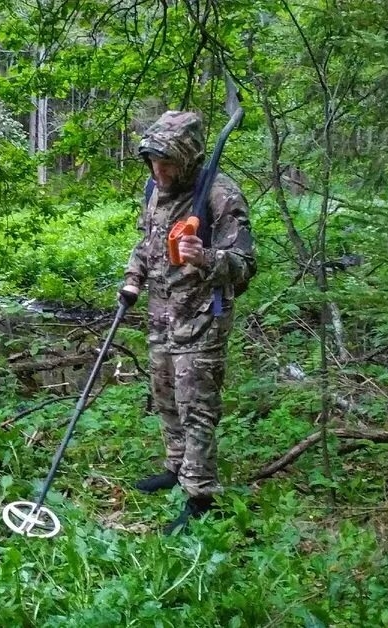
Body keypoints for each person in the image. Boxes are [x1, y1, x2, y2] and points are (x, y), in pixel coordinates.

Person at [118, 110, 256, 534]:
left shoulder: (220, 195)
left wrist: (208, 257)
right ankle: (177, 468)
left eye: (167, 164)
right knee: (165, 395)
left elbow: (246, 264)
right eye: (154, 163)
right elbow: (146, 243)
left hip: (202, 317)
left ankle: (200, 495)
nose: (159, 172)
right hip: (161, 313)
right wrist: (131, 280)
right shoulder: (154, 188)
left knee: (197, 405)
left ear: (189, 159)